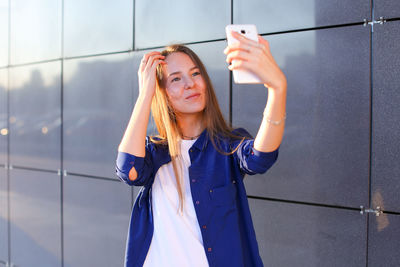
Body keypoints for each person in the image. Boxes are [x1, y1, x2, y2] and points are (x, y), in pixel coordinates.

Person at [115, 30, 287, 267]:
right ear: (162, 93)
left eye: (195, 73)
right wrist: (146, 94)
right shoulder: (155, 152)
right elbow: (128, 170)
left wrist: (277, 89)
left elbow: (260, 157)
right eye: (176, 79)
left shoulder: (228, 145)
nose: (190, 84)